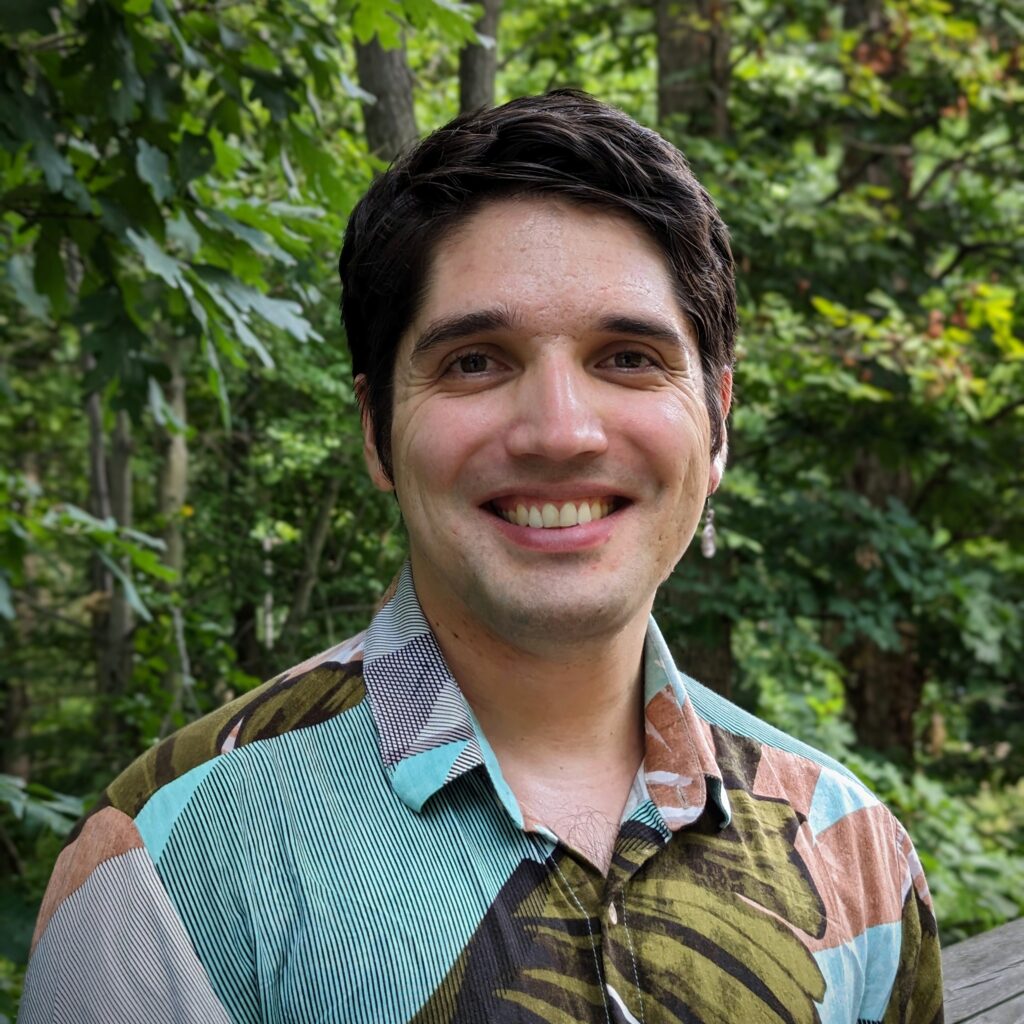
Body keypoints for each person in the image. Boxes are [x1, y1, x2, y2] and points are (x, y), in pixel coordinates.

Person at [19, 91, 942, 1024]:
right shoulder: (171, 862)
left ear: (717, 425)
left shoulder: (852, 848)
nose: (561, 432)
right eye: (475, 361)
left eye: (627, 357)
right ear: (376, 429)